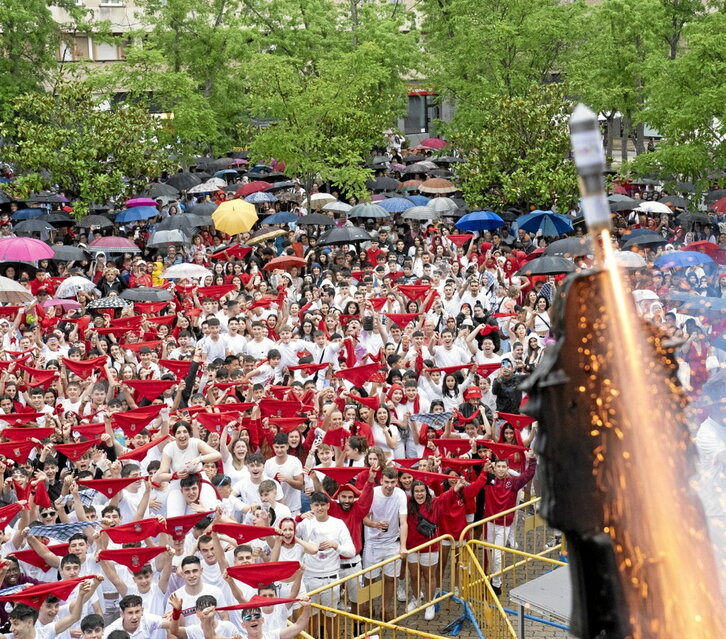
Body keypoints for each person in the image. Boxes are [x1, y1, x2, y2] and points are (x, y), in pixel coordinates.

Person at [485, 450, 537, 595]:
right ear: (494, 468)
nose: (501, 469)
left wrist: (532, 460)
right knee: (490, 553)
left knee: (497, 555)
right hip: (489, 523)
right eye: (498, 466)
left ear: (507, 468)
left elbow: (528, 475)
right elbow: (477, 472)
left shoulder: (513, 482)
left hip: (504, 525)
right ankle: (492, 577)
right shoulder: (488, 479)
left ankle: (497, 584)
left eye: (503, 466)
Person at [362, 467, 408, 621]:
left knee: (391, 578)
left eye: (393, 482)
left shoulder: (400, 494)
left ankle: (386, 607)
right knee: (369, 579)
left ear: (397, 482)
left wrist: (403, 546)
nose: (389, 485)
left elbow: (404, 522)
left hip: (392, 542)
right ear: (381, 480)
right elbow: (364, 518)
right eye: (386, 482)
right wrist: (375, 524)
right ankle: (368, 606)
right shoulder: (373, 493)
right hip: (373, 542)